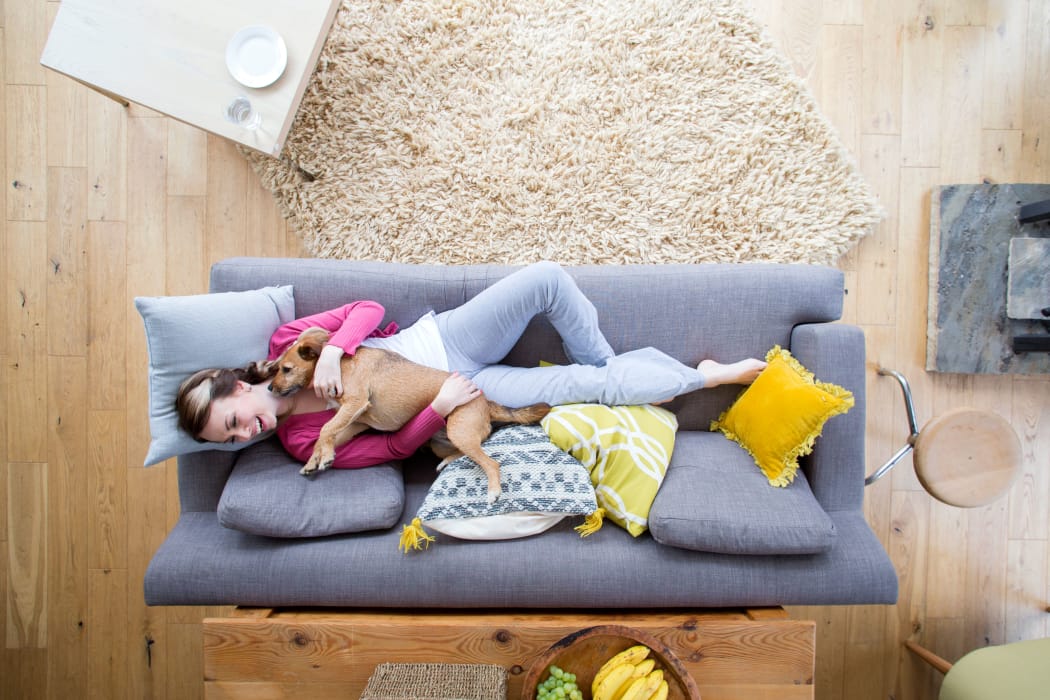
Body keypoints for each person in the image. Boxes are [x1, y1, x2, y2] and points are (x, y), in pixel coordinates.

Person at [176, 261, 766, 469]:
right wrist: (438, 406)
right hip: (466, 391)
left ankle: (613, 373)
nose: (243, 434)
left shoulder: (289, 342)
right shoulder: (307, 442)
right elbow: (391, 451)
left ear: (233, 386)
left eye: (232, 421)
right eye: (230, 442)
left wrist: (331, 348)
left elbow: (368, 308)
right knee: (594, 386)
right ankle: (709, 375)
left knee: (547, 278)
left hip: (440, 337)